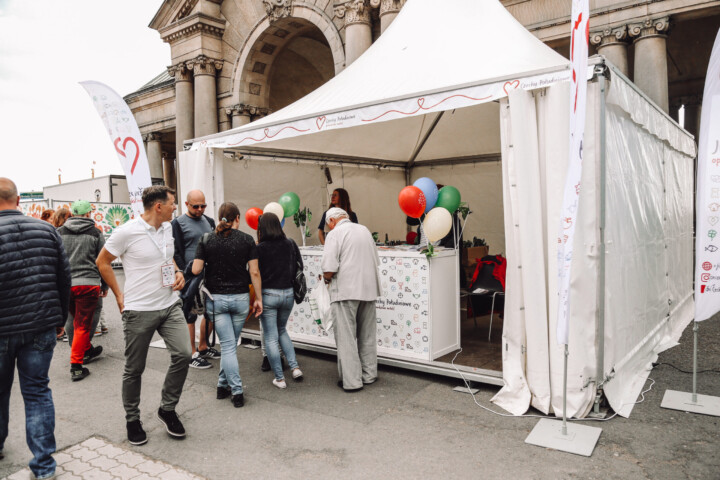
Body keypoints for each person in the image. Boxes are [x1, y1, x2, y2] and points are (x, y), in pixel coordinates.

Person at [96, 185, 191, 446]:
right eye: (172, 203)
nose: (176, 207)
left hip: (169, 305)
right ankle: (132, 419)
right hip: (139, 310)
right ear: (158, 206)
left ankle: (167, 409)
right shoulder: (127, 231)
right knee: (134, 369)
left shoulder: (168, 228)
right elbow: (102, 261)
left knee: (184, 354)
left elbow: (166, 258)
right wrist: (118, 294)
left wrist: (178, 271)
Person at [0, 177, 71, 480]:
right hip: (41, 324)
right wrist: (59, 319)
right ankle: (44, 467)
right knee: (38, 392)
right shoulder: (47, 230)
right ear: (18, 201)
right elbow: (63, 278)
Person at [192, 202, 263, 407]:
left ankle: (224, 385)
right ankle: (235, 389)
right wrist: (258, 298)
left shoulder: (206, 239)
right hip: (241, 299)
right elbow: (255, 272)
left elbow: (196, 270)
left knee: (229, 345)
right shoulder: (248, 240)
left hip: (217, 300)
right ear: (237, 218)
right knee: (231, 344)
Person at [321, 207, 381, 392]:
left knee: (346, 337)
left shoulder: (334, 234)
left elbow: (329, 267)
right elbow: (376, 260)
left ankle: (352, 381)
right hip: (369, 289)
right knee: (367, 335)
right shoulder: (364, 230)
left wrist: (326, 279)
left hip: (346, 290)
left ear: (331, 221)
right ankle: (369, 374)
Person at [57, 200, 107, 381]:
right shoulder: (95, 233)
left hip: (66, 286)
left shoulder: (59, 232)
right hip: (88, 284)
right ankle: (76, 366)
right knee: (82, 325)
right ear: (88, 214)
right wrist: (105, 285)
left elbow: (55, 260)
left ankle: (88, 349)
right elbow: (103, 261)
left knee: (77, 321)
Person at [172, 190, 218, 369]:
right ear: (186, 204)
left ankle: (203, 346)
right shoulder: (178, 223)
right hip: (189, 275)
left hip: (209, 274)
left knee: (211, 310)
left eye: (203, 206)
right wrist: (183, 273)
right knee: (189, 313)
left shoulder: (210, 222)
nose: (200, 209)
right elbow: (175, 251)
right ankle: (191, 353)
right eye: (195, 206)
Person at [256, 213, 304, 389]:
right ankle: (295, 368)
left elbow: (255, 273)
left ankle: (279, 378)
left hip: (268, 294)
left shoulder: (259, 248)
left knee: (270, 337)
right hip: (288, 293)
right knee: (282, 330)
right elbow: (300, 266)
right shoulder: (290, 243)